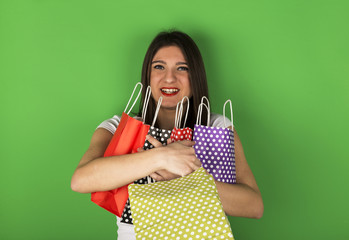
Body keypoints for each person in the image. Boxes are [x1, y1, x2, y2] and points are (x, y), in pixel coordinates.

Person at [71, 30, 263, 240]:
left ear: (195, 76)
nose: (169, 78)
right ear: (147, 75)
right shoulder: (118, 128)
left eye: (182, 68)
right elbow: (81, 180)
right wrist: (162, 158)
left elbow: (253, 206)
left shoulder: (216, 127)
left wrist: (187, 179)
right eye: (159, 67)